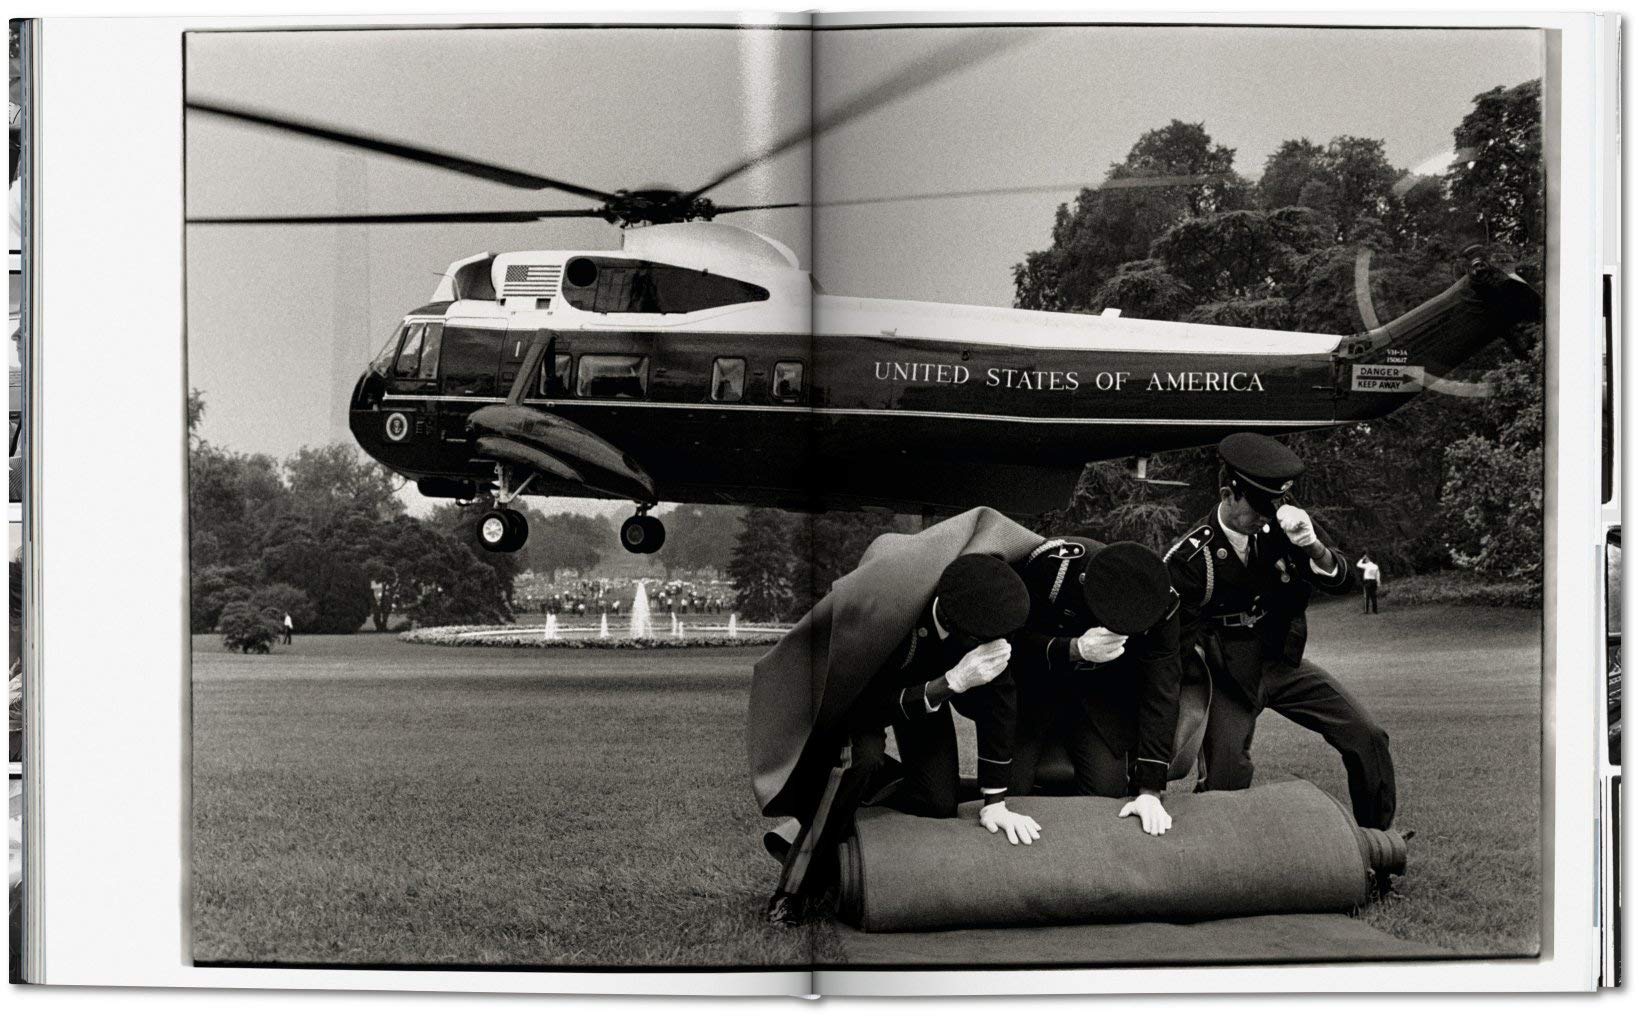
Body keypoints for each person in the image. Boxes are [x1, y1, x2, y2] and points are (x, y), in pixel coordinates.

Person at [762, 552, 1038, 925]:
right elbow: (863, 706)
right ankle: (790, 891)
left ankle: (831, 812)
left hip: (925, 696)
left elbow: (1001, 710)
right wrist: (949, 684)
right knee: (861, 760)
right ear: (964, 629)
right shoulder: (891, 616)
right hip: (855, 698)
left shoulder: (984, 624)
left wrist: (995, 803)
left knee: (938, 801)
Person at [1164, 433, 1396, 831]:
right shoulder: (1191, 557)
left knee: (1367, 736)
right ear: (1228, 494)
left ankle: (1378, 844)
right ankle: (1220, 858)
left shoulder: (1283, 527)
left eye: (1272, 507)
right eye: (1257, 507)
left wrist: (1313, 547)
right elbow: (1172, 643)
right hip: (1228, 674)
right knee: (1226, 777)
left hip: (1281, 661)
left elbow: (1342, 581)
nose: (1265, 517)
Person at [1010, 538, 1181, 836]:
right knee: (1011, 790)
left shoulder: (1162, 603)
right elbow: (1012, 642)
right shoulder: (1055, 569)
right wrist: (1072, 649)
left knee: (1108, 793)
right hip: (1037, 689)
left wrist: (1151, 790)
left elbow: (1162, 691)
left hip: (1102, 696)